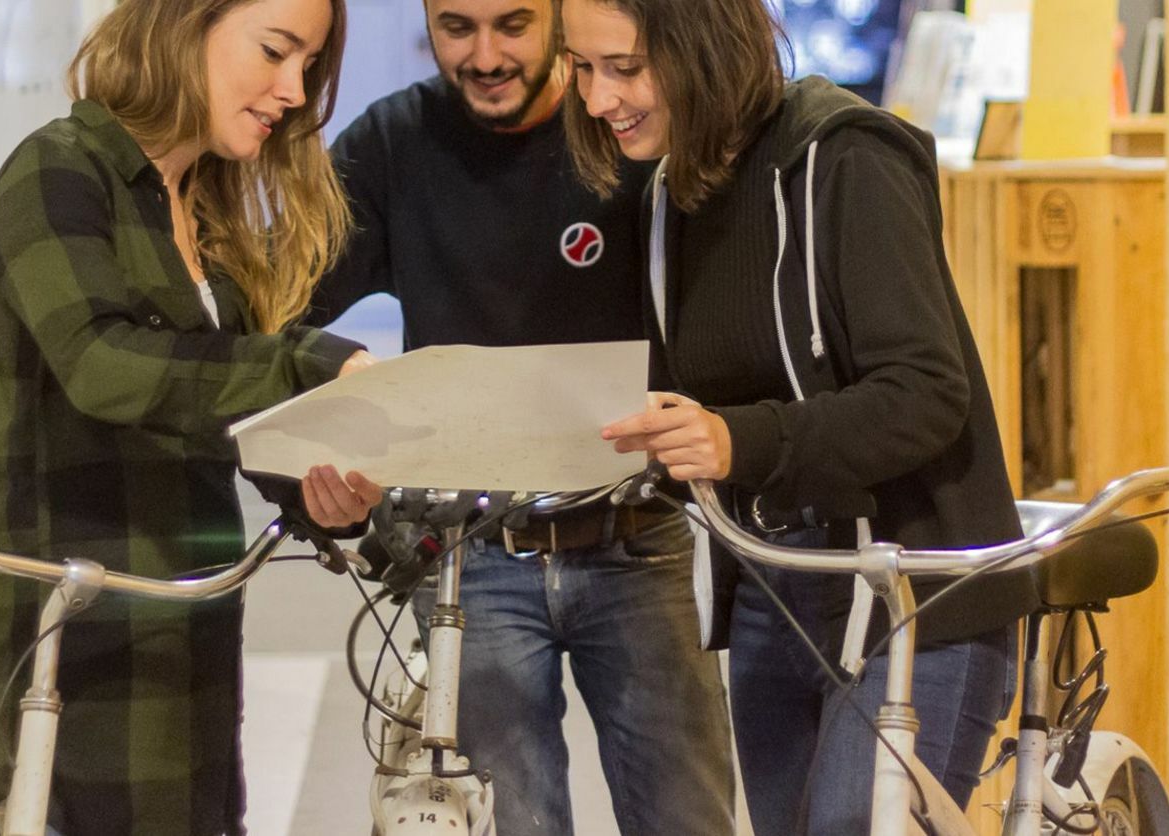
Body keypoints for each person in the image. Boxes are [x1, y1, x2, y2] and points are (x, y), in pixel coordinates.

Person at [565, 0, 1040, 831]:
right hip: (773, 594)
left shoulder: (847, 159)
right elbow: (694, 413)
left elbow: (927, 393)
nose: (598, 98)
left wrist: (734, 438)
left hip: (915, 598)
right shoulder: (665, 196)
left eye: (624, 67)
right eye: (580, 67)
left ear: (701, 47)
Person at [303, 0, 736, 832]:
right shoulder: (392, 143)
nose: (486, 54)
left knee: (690, 816)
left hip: (637, 542)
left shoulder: (625, 129)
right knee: (513, 822)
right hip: (474, 558)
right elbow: (280, 308)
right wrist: (340, 424)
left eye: (513, 23)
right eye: (456, 26)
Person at [0, 0, 381, 832]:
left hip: (188, 628)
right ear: (184, 22)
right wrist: (306, 363)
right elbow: (102, 367)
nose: (293, 89)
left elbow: (215, 408)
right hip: (75, 641)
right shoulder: (56, 174)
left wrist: (318, 490)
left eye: (309, 64)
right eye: (275, 51)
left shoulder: (203, 211)